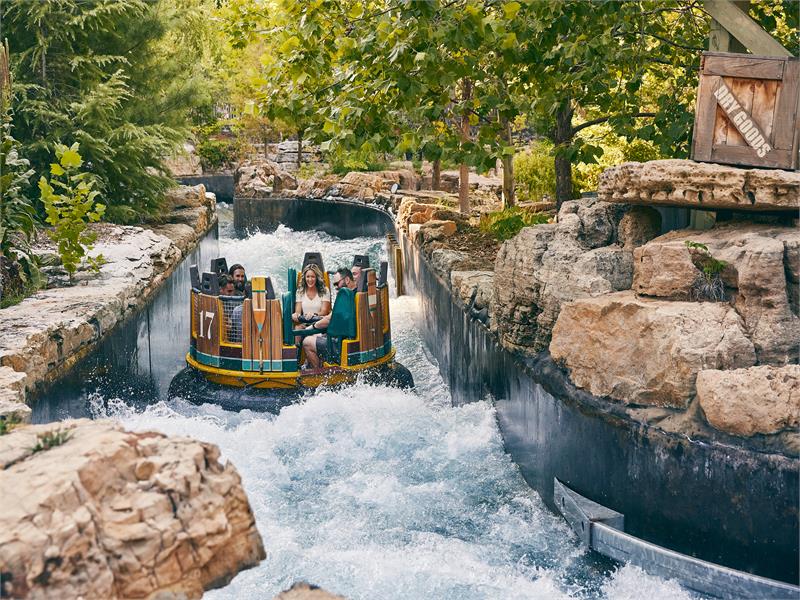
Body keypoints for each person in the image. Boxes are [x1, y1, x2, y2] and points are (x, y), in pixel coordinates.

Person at [302, 267, 357, 369]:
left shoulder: (345, 296)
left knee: (307, 342)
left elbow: (329, 320)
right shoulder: (357, 294)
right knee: (318, 336)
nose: (336, 287)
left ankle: (318, 374)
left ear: (347, 280)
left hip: (340, 345)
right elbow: (332, 316)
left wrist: (311, 327)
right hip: (351, 342)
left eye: (337, 284)